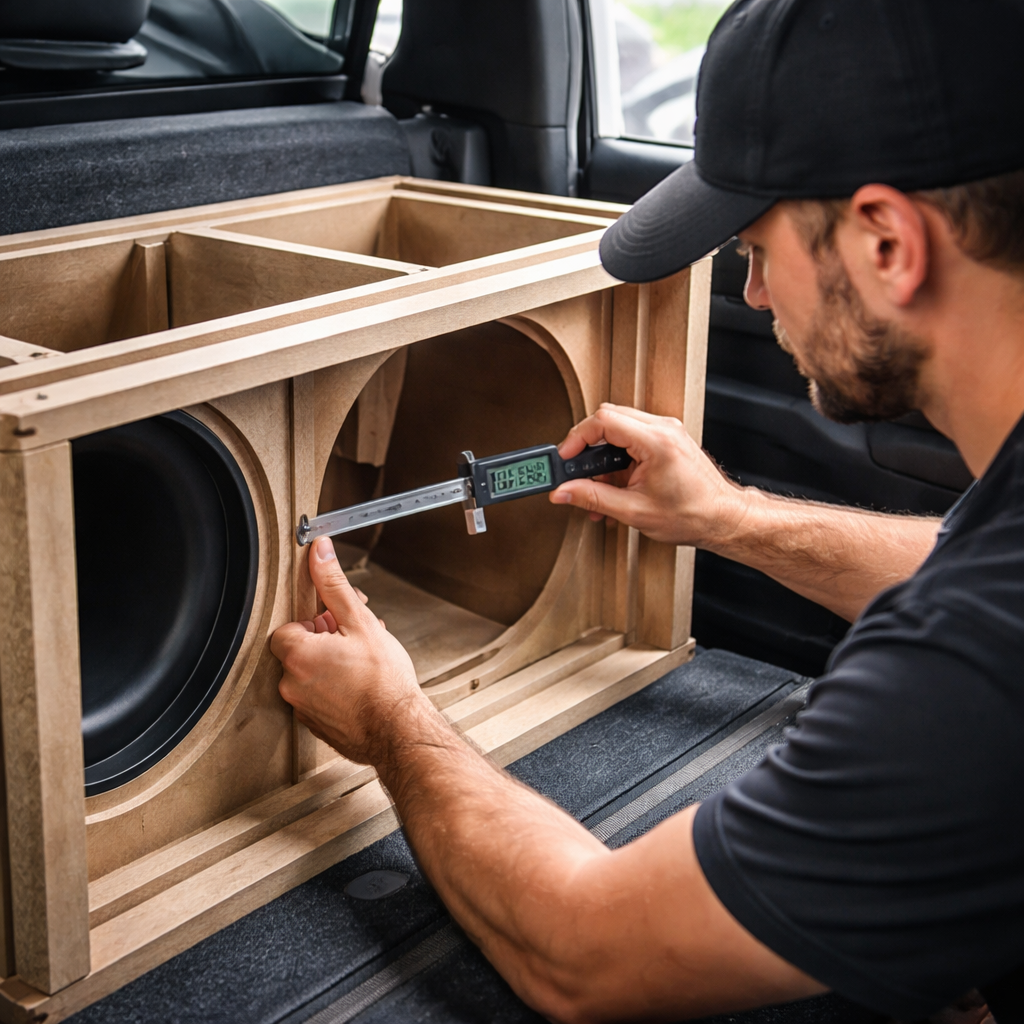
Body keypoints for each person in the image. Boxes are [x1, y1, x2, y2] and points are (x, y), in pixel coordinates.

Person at [270, 1, 1024, 1019]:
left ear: (886, 242)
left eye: (755, 246)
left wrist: (391, 721)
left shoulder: (968, 677)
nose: (752, 294)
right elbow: (968, 564)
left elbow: (584, 951)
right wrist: (726, 517)